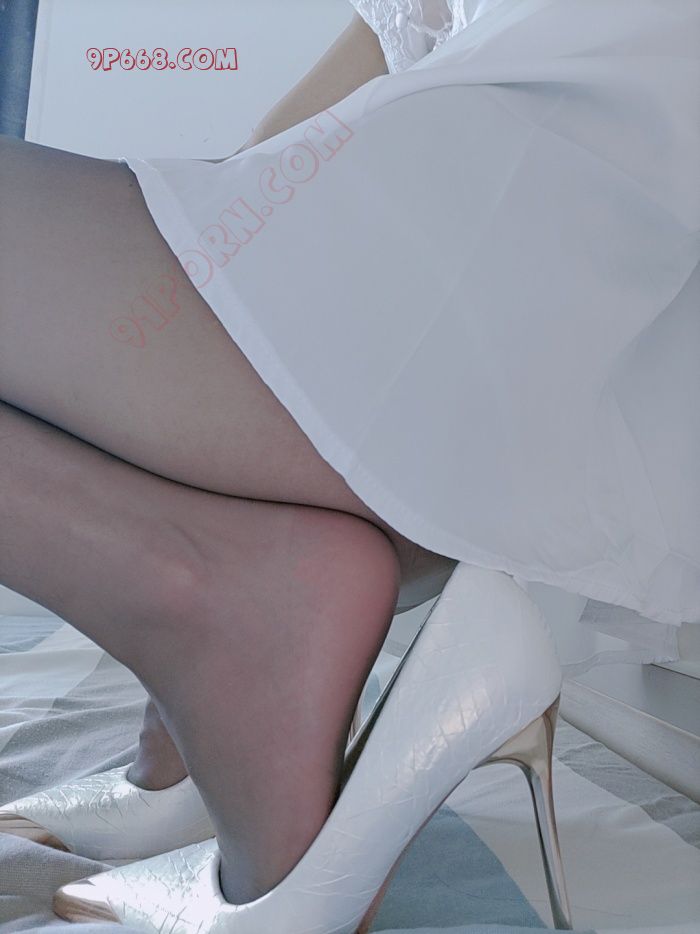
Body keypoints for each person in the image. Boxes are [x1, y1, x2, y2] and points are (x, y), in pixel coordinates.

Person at [0, 0, 697, 929]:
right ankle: (201, 602)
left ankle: (204, 608)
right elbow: (341, 88)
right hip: (475, 296)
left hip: (501, 285)